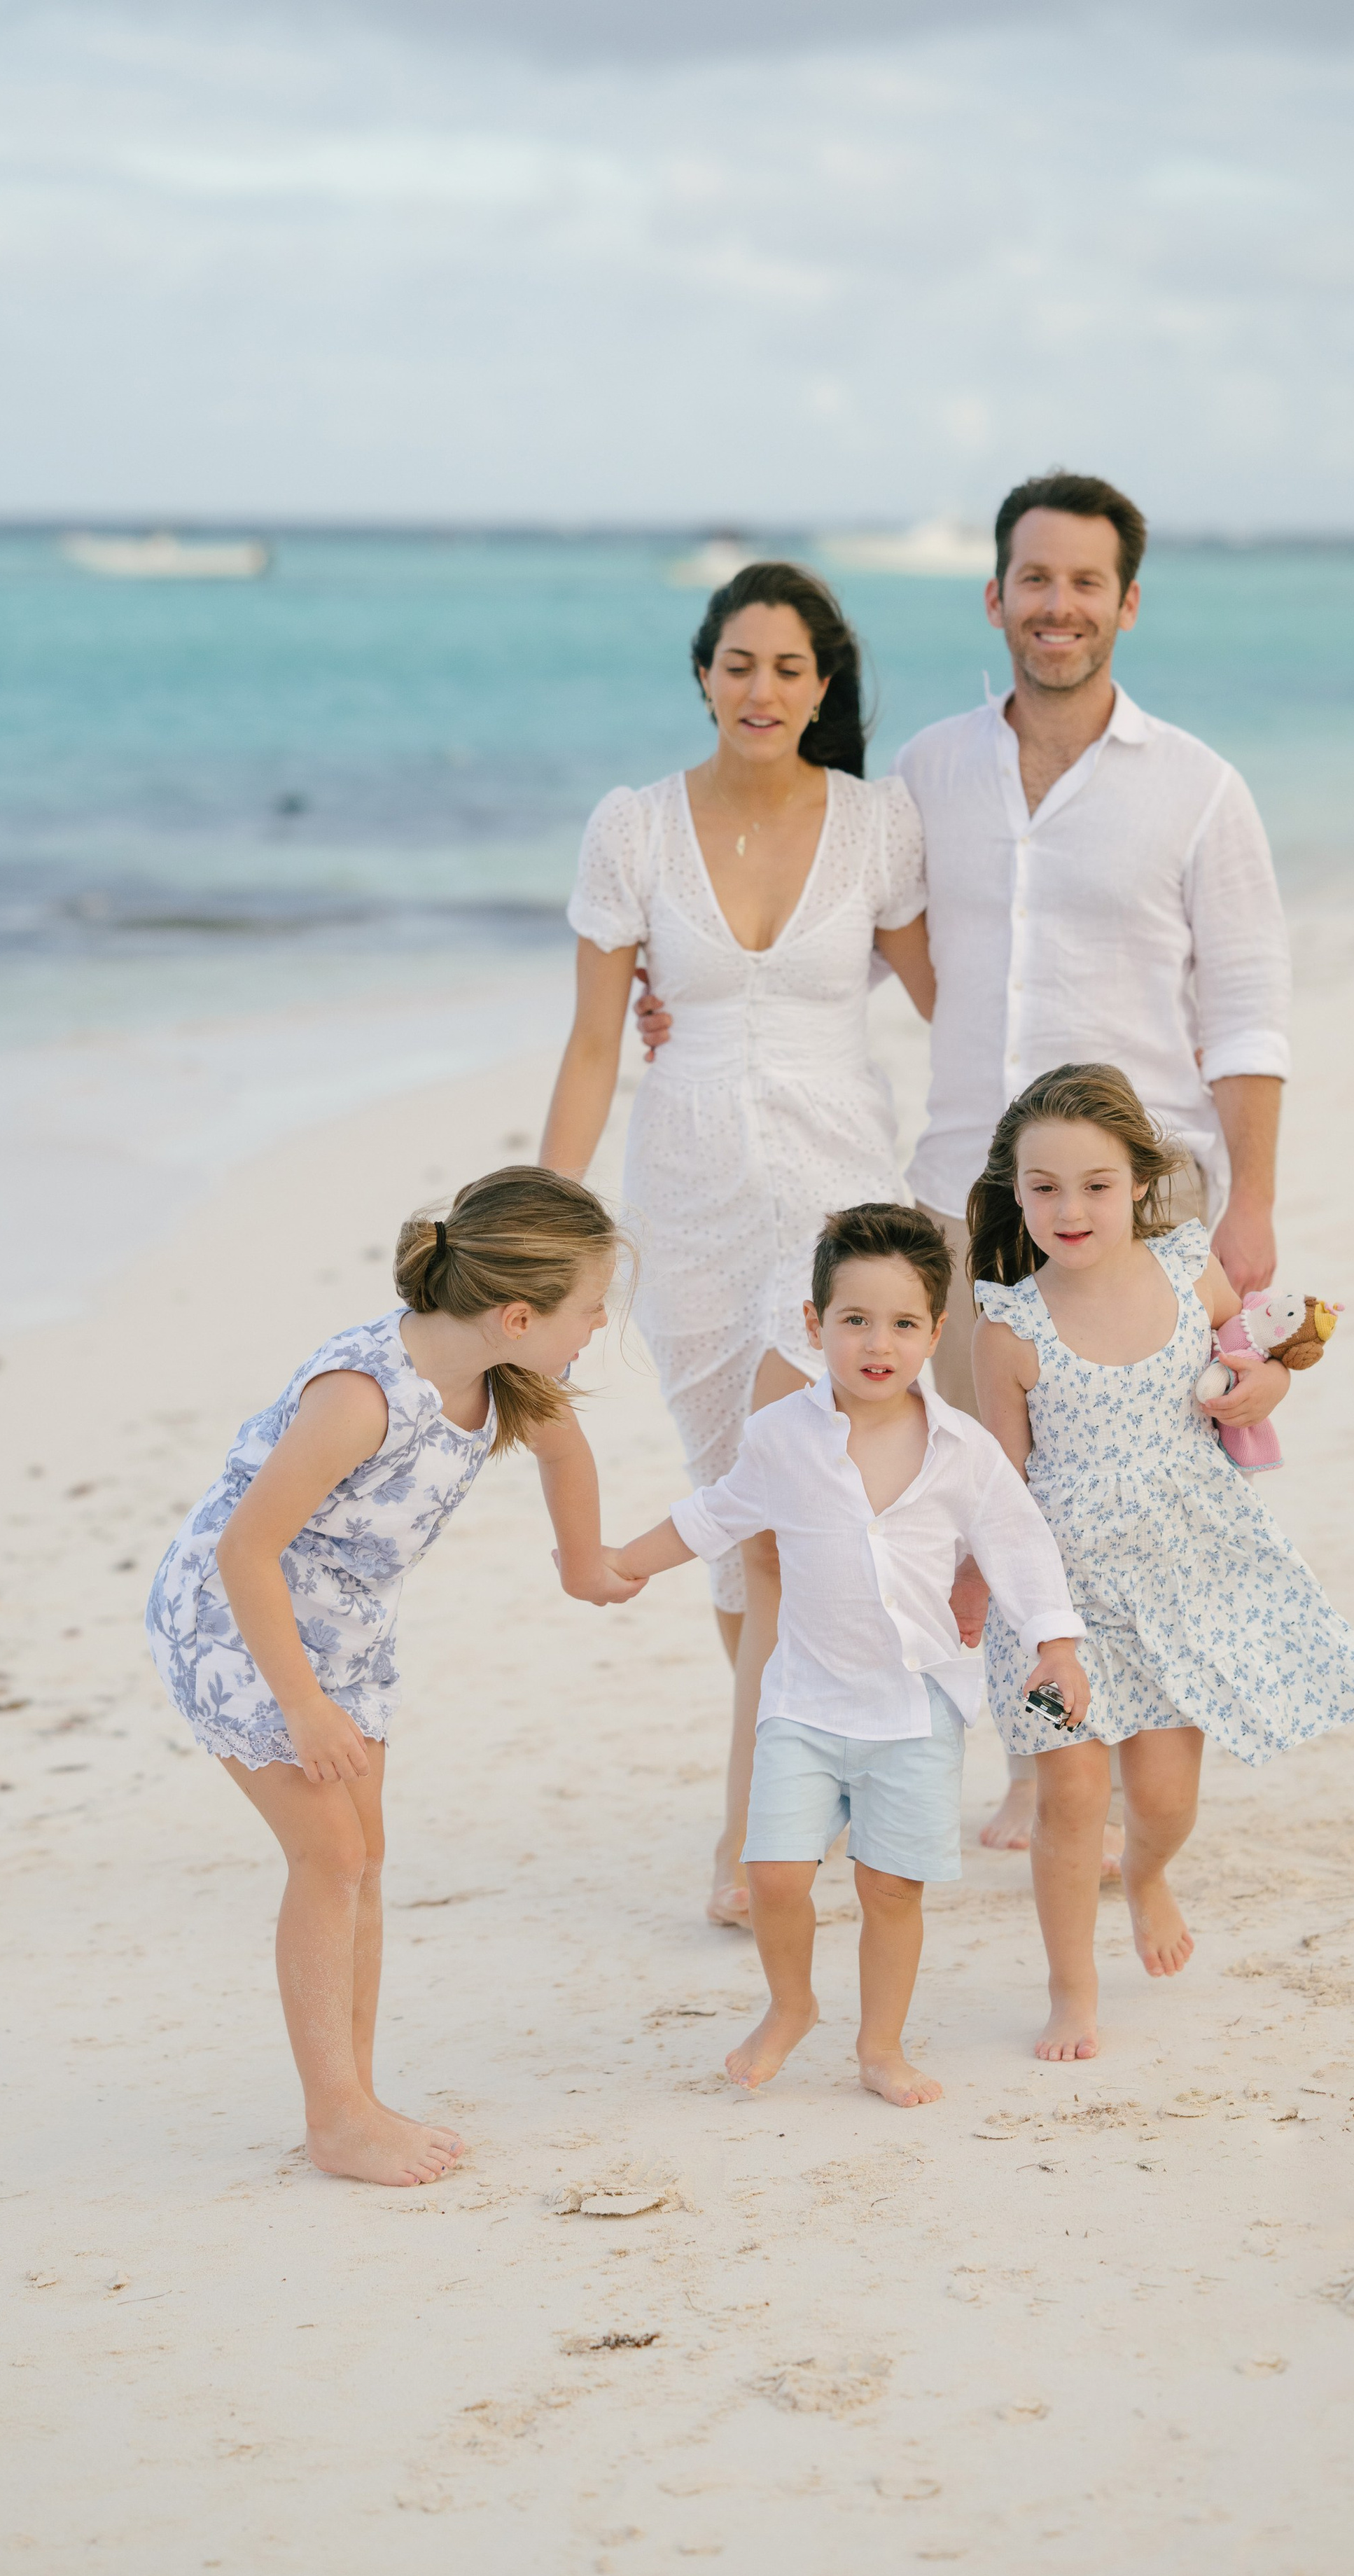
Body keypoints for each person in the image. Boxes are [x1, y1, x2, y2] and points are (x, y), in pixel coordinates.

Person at [634, 472, 1294, 1860]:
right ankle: (1035, 1767)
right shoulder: (931, 772)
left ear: (1126, 603)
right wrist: (683, 991)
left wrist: (1254, 1206)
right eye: (1034, 579)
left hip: (1137, 1201)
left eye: (1085, 582)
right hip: (960, 1195)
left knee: (1128, 1505)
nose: (1058, 606)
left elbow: (1245, 1012)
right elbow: (843, 932)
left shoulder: (1197, 789)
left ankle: (1125, 1771)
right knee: (979, 1490)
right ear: (994, 597)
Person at [540, 562, 935, 1931]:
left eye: (789, 668)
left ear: (823, 687)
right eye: (739, 664)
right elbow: (594, 1045)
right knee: (734, 1521)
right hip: (690, 1209)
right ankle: (803, 1767)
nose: (762, 689)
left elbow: (954, 1007)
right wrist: (542, 1226)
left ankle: (749, 1839)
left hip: (841, 1212)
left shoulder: (878, 826)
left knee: (783, 1522)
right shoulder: (632, 829)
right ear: (703, 675)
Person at [144, 1167, 642, 2188]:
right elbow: (245, 1549)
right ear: (517, 1314)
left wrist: (582, 1562)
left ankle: (355, 2097)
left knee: (364, 1857)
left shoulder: (499, 1374)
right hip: (238, 1622)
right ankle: (336, 2119)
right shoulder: (362, 1398)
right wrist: (301, 1705)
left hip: (346, 1630)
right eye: (592, 1307)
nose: (599, 1325)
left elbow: (567, 1455)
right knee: (328, 1854)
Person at [605, 1204, 1087, 2105]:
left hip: (912, 1709)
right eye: (854, 1319)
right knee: (772, 1873)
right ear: (813, 1323)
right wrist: (624, 1562)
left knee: (890, 1888)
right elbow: (716, 1512)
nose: (878, 1343)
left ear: (935, 1333)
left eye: (903, 1324)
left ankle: (880, 2047)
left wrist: (1056, 1645)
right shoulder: (781, 1436)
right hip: (804, 1700)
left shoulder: (962, 1449)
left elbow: (1019, 1545)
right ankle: (791, 2005)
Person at [967, 1065, 1354, 2063]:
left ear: (1140, 1182)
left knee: (1163, 1802)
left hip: (1181, 1578)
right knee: (1071, 1800)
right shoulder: (1007, 1329)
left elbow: (1251, 1363)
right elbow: (1000, 1488)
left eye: (1096, 1185)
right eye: (1043, 1187)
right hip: (1065, 1601)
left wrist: (1265, 1386)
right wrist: (988, 1591)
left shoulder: (1188, 1271)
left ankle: (1149, 1875)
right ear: (1014, 1191)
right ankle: (1072, 1989)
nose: (1069, 1209)